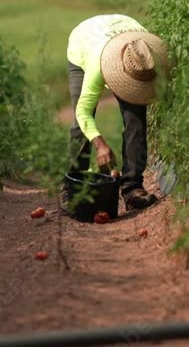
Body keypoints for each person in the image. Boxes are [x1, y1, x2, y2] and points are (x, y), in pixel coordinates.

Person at [64, 14, 170, 211]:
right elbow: (83, 112)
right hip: (83, 42)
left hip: (120, 28)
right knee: (81, 125)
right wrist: (100, 144)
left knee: (136, 119)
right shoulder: (97, 65)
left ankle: (132, 189)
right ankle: (73, 186)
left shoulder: (146, 53)